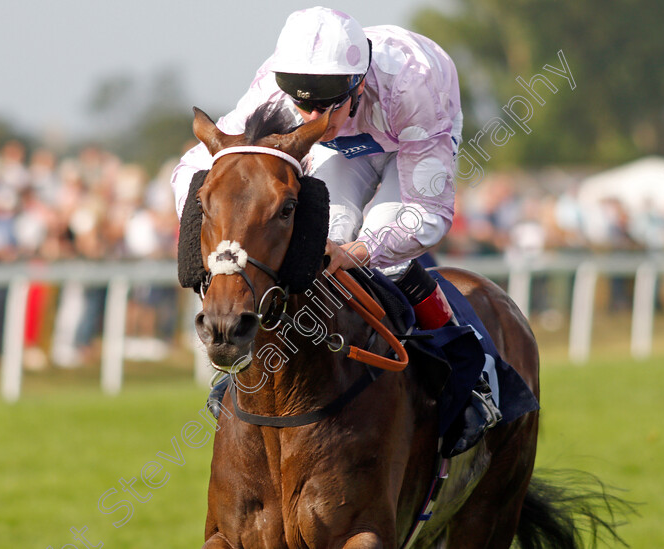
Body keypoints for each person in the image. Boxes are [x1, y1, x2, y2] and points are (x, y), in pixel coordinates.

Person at [170, 7, 500, 456]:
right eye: (300, 105)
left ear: (357, 85)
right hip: (344, 147)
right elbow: (200, 167)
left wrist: (363, 252)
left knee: (386, 240)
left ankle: (469, 376)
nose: (309, 117)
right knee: (326, 238)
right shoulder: (274, 89)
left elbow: (428, 212)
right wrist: (211, 245)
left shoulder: (414, 84)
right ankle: (265, 369)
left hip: (414, 132)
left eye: (324, 107)